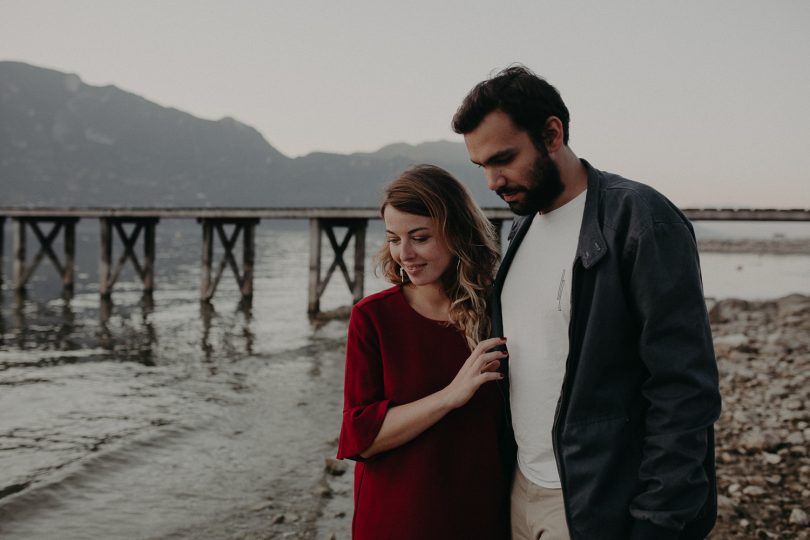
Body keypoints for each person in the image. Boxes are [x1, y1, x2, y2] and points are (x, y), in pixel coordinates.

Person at [452, 65, 721, 540]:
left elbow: (684, 389)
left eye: (504, 159)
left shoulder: (639, 219)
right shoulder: (523, 227)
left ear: (552, 133)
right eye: (482, 167)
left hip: (596, 500)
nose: (492, 182)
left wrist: (659, 521)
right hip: (522, 488)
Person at [336, 164, 511, 539]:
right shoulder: (372, 317)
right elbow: (360, 438)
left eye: (419, 237)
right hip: (398, 517)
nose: (405, 253)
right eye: (394, 239)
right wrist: (450, 396)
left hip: (479, 514)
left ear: (457, 233)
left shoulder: (499, 310)